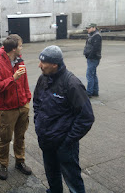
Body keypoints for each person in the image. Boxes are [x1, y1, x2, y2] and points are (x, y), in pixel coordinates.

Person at [33, 45, 95, 193]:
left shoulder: (71, 83)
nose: (39, 65)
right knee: (52, 174)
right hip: (46, 140)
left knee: (72, 180)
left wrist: (68, 141)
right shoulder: (43, 79)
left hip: (64, 145)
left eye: (43, 62)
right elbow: (37, 102)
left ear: (54, 64)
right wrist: (38, 122)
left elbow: (86, 117)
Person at [0, 34, 32, 180]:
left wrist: (27, 99)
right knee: (5, 138)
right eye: (20, 46)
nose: (22, 48)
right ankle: (4, 164)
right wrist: (13, 78)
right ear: (13, 48)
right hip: (7, 109)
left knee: (20, 136)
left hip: (23, 106)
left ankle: (20, 161)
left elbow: (25, 82)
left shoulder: (20, 62)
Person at [83, 23, 102, 98]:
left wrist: (89, 56)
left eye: (89, 28)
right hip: (92, 58)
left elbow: (95, 48)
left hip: (93, 58)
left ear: (94, 28)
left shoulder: (96, 36)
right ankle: (95, 91)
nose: (87, 29)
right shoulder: (92, 35)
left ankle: (89, 92)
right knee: (93, 74)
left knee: (89, 75)